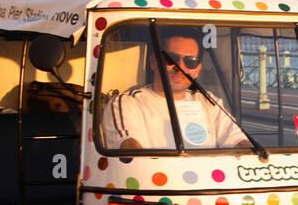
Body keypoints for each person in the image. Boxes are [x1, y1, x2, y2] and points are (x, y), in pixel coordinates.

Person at [103, 28, 248, 151]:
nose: (179, 67)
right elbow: (129, 149)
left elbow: (235, 139)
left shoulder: (209, 102)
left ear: (197, 69)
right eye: (171, 58)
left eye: (190, 61)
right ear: (154, 62)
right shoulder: (127, 103)